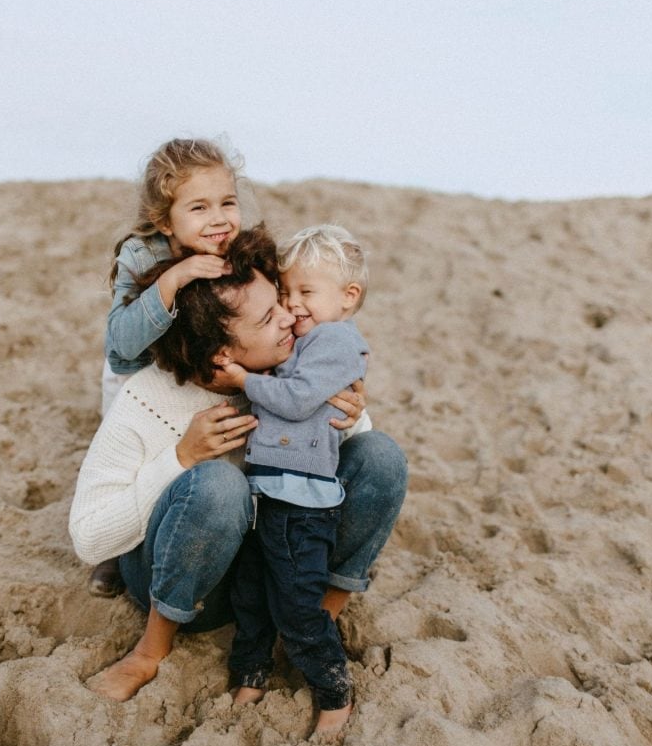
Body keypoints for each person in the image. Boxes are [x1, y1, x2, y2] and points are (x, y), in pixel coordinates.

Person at [67, 225, 407, 717]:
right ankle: (150, 651)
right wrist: (180, 458)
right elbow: (89, 540)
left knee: (381, 455)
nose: (291, 316)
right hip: (186, 581)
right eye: (272, 316)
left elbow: (360, 463)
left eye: (284, 302)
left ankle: (313, 623)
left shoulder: (290, 371)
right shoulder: (148, 396)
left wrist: (352, 414)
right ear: (222, 354)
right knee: (219, 485)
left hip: (277, 570)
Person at [216, 224, 369, 736]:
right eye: (287, 292)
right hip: (268, 493)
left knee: (299, 604)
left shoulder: (338, 341)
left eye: (307, 292)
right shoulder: (305, 341)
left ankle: (333, 692)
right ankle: (251, 673)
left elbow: (299, 398)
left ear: (349, 298)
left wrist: (242, 379)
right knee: (251, 595)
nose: (294, 304)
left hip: (303, 505)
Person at [92, 138, 244, 597]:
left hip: (191, 377)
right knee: (128, 460)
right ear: (165, 219)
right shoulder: (141, 256)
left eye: (228, 203)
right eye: (199, 207)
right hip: (135, 377)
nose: (219, 218)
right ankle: (114, 555)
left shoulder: (236, 249)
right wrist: (174, 278)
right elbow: (121, 348)